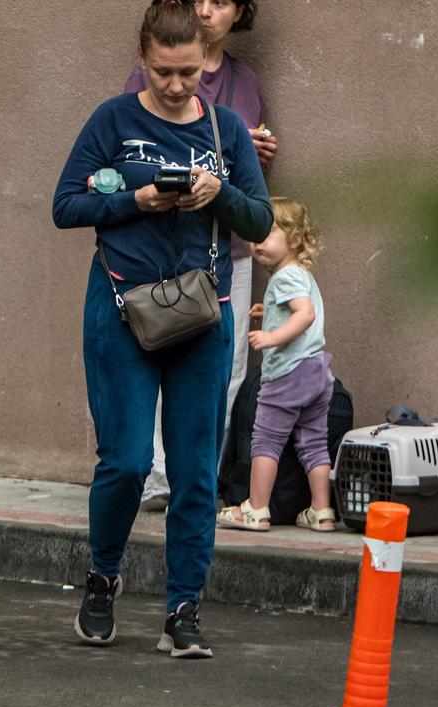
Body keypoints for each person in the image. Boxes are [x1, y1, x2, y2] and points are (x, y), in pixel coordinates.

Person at [52, 3, 272, 657]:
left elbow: (259, 222)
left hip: (202, 315)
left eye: (187, 74)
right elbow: (66, 204)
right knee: (125, 462)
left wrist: (219, 195)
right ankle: (102, 577)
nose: (177, 86)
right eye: (163, 72)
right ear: (144, 59)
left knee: (196, 471)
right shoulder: (112, 119)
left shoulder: (225, 128)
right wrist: (136, 201)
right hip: (121, 308)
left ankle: (183, 609)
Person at [125, 0, 277, 512]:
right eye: (198, 1)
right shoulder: (145, 77)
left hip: (225, 247)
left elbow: (249, 187)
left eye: (221, 2)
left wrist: (250, 154)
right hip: (164, 249)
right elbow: (133, 152)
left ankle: (199, 480)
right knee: (158, 354)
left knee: (224, 371)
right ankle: (155, 477)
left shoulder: (246, 82)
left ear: (240, 13)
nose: (207, 12)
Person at [218, 198, 336, 532]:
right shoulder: (301, 275)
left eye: (267, 236)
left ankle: (255, 509)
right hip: (316, 371)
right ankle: (321, 510)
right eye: (254, 237)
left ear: (295, 239)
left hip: (288, 373)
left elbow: (304, 314)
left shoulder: (284, 279)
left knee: (266, 441)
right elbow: (299, 310)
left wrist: (271, 338)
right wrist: (267, 313)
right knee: (313, 442)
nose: (257, 244)